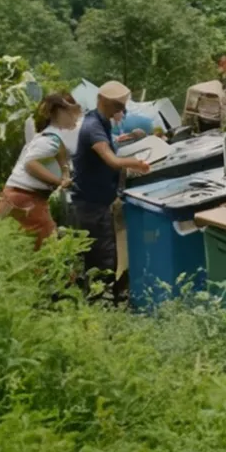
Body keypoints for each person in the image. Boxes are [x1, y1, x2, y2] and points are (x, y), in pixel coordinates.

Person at [68, 81, 151, 300]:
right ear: (105, 103)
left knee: (99, 255)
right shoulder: (92, 126)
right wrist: (137, 163)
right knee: (102, 258)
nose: (121, 111)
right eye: (118, 106)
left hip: (95, 201)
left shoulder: (101, 122)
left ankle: (100, 298)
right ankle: (102, 304)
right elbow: (111, 160)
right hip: (91, 205)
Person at [0, 93, 81, 248]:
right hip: (26, 199)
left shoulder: (50, 136)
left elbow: (60, 160)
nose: (76, 118)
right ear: (60, 113)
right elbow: (31, 163)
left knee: (20, 250)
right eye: (73, 113)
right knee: (48, 249)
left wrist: (65, 173)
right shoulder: (50, 139)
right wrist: (59, 181)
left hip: (15, 197)